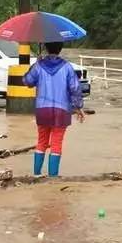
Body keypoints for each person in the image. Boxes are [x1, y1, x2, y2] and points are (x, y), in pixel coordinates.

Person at [23, 42, 84, 177]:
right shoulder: (67, 67)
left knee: (41, 142)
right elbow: (75, 89)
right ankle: (53, 177)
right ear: (60, 49)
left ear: (46, 48)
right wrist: (78, 107)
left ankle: (37, 174)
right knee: (56, 144)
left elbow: (27, 81)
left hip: (42, 110)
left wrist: (35, 64)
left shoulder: (39, 66)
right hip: (61, 111)